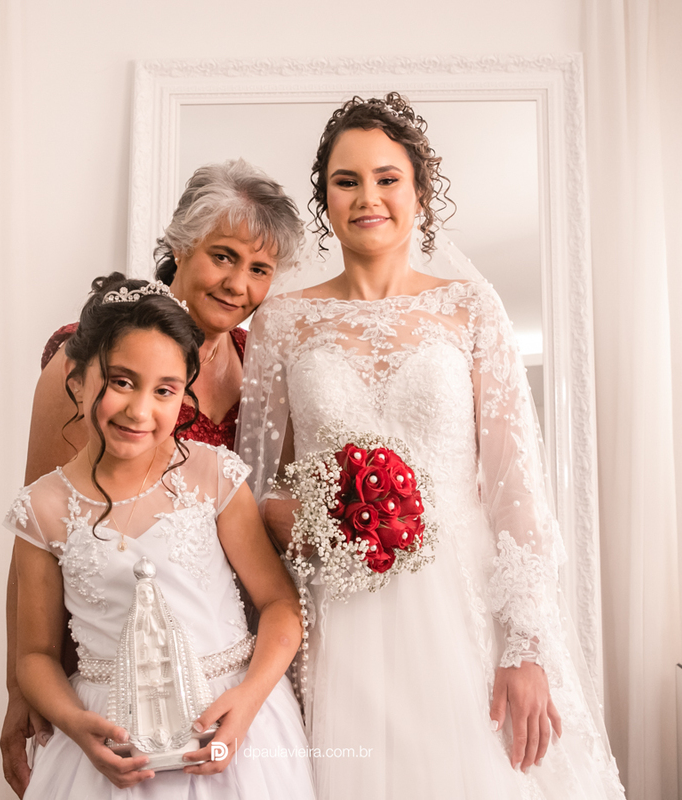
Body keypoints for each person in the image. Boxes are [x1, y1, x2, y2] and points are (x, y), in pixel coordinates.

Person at [238, 94, 626, 799]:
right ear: (324, 199)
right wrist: (321, 520)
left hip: (461, 607)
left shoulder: (470, 308)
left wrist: (526, 646)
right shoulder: (282, 322)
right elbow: (260, 489)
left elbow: (515, 492)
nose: (368, 197)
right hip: (337, 610)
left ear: (420, 191)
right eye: (347, 181)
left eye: (387, 178)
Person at [2, 161, 303, 797]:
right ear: (181, 246)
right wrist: (24, 689)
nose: (239, 284)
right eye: (223, 256)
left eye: (260, 269)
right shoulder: (89, 354)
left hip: (230, 663)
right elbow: (48, 528)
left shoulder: (261, 363)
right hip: (113, 660)